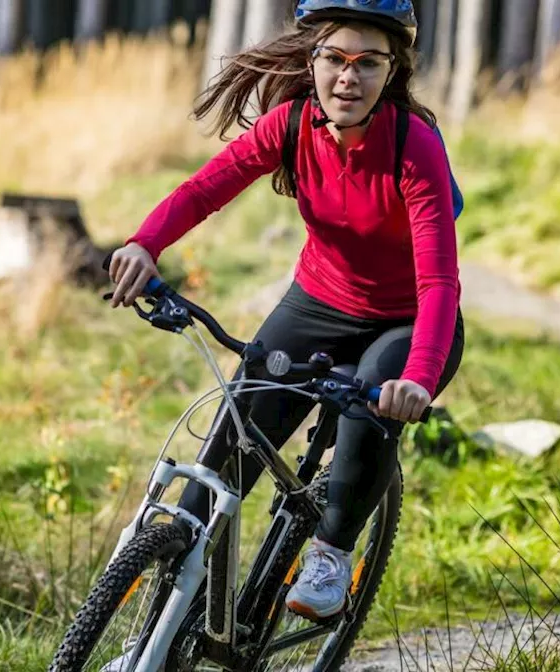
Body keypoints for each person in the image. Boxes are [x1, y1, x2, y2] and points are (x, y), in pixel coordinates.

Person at [106, 0, 464, 621]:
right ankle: (151, 646)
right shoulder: (291, 124)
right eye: (335, 59)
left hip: (406, 319)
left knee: (371, 400)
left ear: (392, 72)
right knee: (223, 458)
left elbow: (438, 281)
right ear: (313, 60)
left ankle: (330, 553)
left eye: (368, 63)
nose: (348, 77)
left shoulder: (414, 145)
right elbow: (205, 188)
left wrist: (420, 379)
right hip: (320, 300)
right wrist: (145, 242)